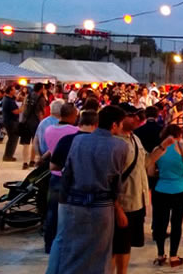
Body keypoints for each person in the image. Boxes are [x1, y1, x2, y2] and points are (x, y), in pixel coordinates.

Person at [46, 106, 129, 274]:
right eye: (121, 123)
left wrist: (64, 200)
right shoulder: (120, 146)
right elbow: (116, 181)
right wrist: (118, 207)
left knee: (71, 248)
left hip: (74, 202)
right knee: (100, 253)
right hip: (102, 206)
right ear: (114, 125)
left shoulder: (79, 140)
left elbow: (68, 172)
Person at [145, 124, 183, 268]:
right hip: (181, 190)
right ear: (179, 135)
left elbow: (150, 172)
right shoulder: (182, 146)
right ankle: (173, 256)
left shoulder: (157, 149)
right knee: (176, 223)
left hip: (161, 190)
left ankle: (160, 255)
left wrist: (161, 172)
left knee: (161, 224)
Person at [47, 109, 98, 252]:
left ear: (79, 122)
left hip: (60, 182)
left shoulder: (66, 140)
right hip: (87, 188)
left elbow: (53, 166)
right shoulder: (98, 143)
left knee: (54, 214)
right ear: (96, 124)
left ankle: (51, 246)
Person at [110, 103, 148, 274]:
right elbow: (109, 179)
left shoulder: (135, 138)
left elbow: (145, 164)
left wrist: (162, 148)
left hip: (136, 200)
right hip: (121, 203)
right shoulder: (114, 143)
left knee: (125, 245)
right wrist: (117, 208)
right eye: (131, 115)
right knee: (114, 246)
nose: (136, 119)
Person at [41, 103, 79, 254]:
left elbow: (51, 151)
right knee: (70, 213)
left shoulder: (49, 129)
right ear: (72, 115)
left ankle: (49, 244)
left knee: (52, 211)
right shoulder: (74, 131)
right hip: (69, 176)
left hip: (54, 176)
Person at [20, 83, 46, 170]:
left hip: (25, 121)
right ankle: (32, 160)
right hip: (35, 122)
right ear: (41, 89)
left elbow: (24, 107)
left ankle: (25, 162)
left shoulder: (27, 96)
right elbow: (42, 112)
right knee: (34, 142)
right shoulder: (41, 99)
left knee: (25, 143)